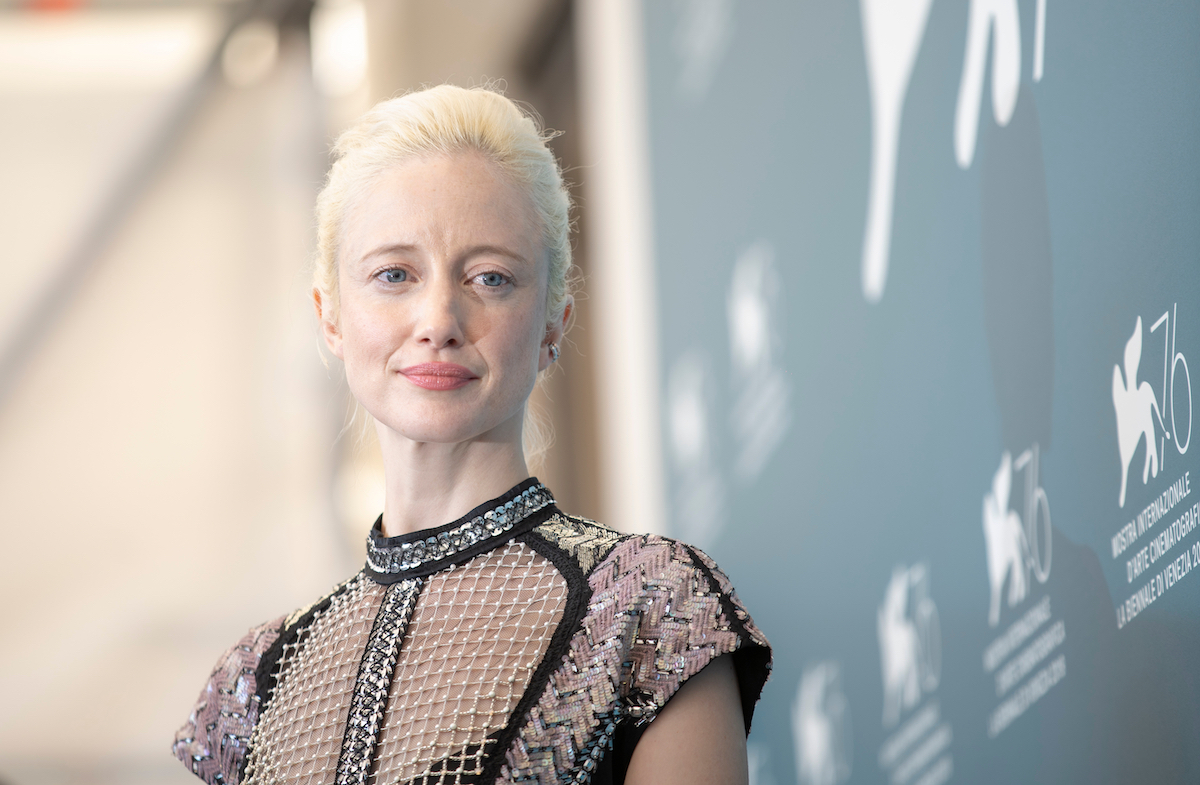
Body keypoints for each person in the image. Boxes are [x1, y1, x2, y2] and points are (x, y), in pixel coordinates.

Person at [172, 85, 771, 785]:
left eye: (489, 277)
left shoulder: (647, 606)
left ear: (554, 321)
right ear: (329, 317)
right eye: (394, 274)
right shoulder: (255, 680)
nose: (438, 319)